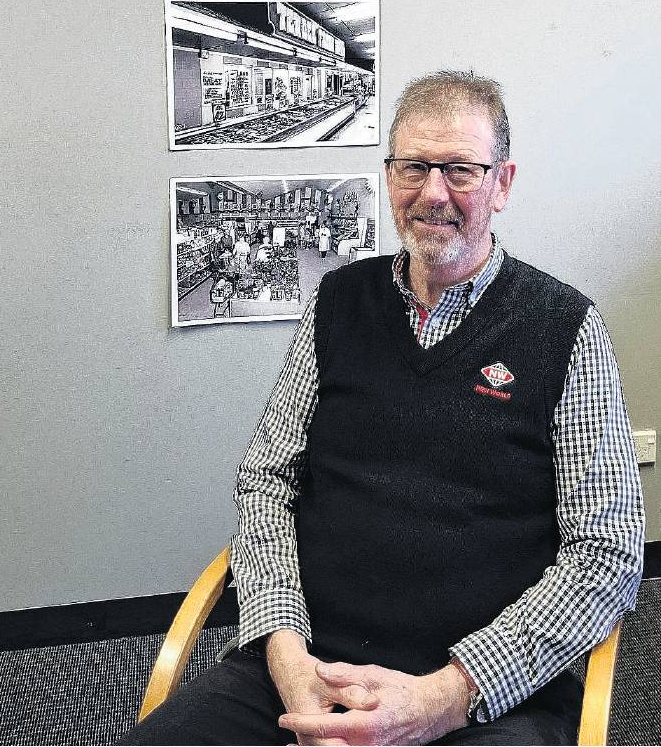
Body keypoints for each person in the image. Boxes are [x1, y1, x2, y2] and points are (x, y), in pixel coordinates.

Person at [124, 71, 645, 746]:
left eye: (460, 170)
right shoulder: (338, 302)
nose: (434, 194)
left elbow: (605, 553)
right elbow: (266, 481)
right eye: (414, 168)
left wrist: (446, 696)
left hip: (484, 697)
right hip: (307, 667)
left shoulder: (565, 328)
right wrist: (286, 656)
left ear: (503, 183)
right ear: (389, 175)